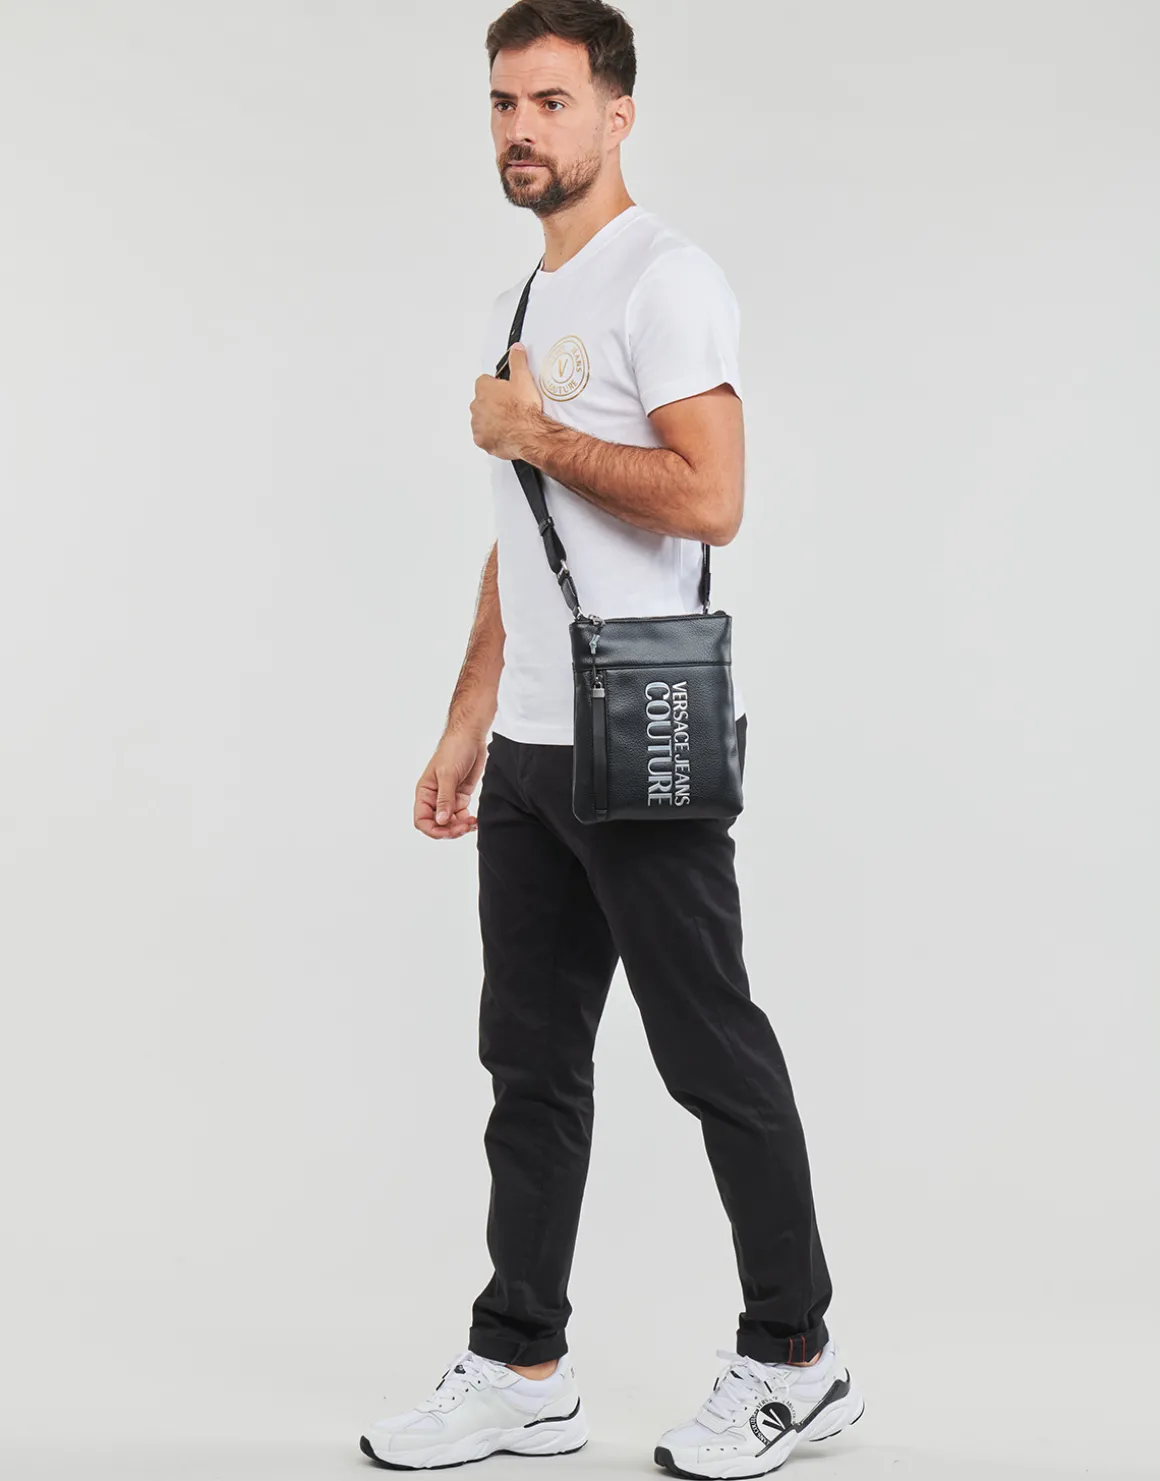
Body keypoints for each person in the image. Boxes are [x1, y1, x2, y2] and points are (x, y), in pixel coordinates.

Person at [360, 3, 863, 1474]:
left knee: (710, 1048)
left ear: (618, 115)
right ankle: (522, 1360)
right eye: (504, 103)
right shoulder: (526, 298)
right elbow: (525, 539)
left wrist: (536, 435)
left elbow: (712, 499)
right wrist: (465, 724)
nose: (522, 130)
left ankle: (798, 1357)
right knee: (529, 1066)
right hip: (530, 750)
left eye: (552, 102)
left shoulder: (666, 278)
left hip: (641, 730)